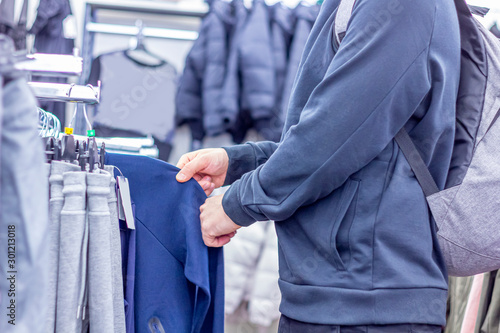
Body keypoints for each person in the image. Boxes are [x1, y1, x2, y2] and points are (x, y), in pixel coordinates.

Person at [176, 0, 461, 331]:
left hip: (364, 303)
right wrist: (239, 162)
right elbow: (346, 141)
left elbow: (332, 136)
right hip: (340, 293)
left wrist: (234, 205)